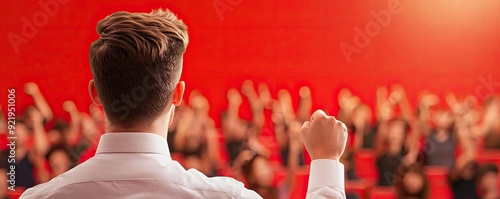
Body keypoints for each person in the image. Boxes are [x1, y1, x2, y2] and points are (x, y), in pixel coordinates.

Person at [20, 9, 347, 199]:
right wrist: (326, 159)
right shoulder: (225, 197)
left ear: (95, 95)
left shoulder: (39, 198)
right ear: (178, 95)